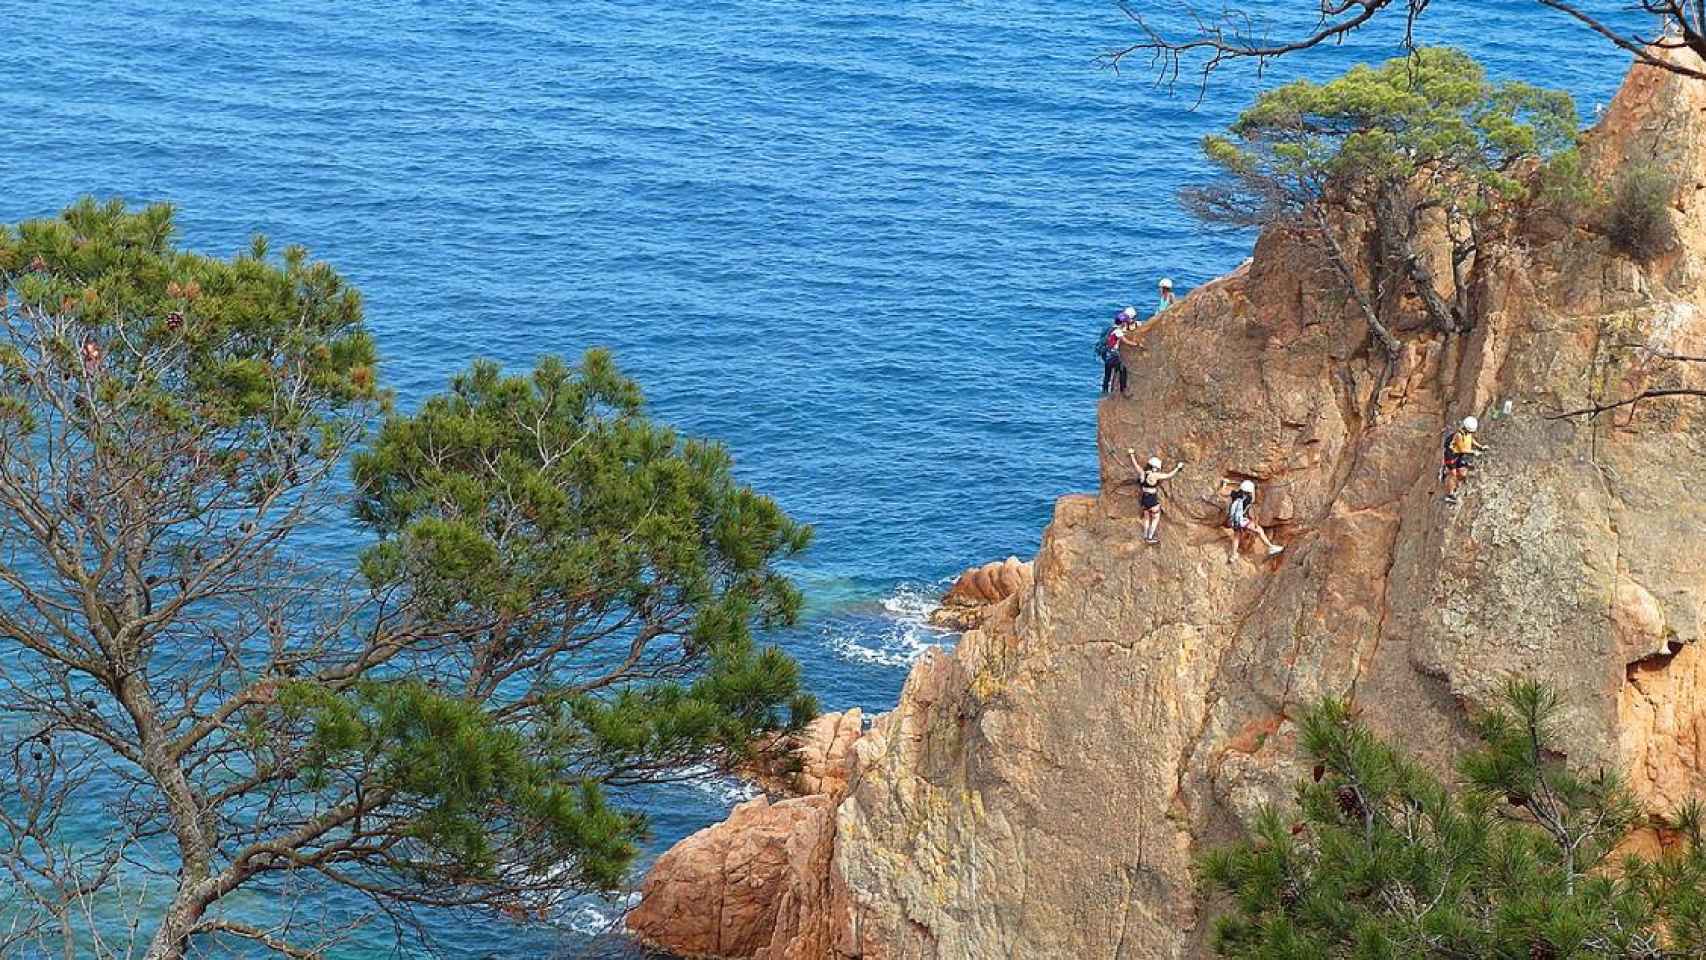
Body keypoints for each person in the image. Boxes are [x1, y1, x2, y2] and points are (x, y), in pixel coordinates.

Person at [1217, 477, 1283, 563]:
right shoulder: (1248, 499)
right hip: (1242, 521)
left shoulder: (1234, 494)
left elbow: (1222, 492)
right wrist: (1254, 488)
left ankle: (1233, 555)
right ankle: (1271, 547)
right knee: (1259, 530)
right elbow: (1254, 499)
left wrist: (1224, 485)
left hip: (1233, 521)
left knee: (1236, 536)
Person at [1127, 450, 1185, 544]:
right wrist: (1178, 467)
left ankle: (1145, 536)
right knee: (1156, 517)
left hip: (1144, 499)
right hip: (1152, 499)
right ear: (1155, 467)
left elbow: (1135, 464)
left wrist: (1132, 454)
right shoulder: (1155, 475)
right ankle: (1150, 538)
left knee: (1146, 518)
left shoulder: (1142, 473)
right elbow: (1168, 475)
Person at [1441, 415, 1486, 504]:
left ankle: (1455, 483)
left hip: (1458, 454)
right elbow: (1462, 449)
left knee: (1462, 473)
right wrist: (1474, 452)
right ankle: (1449, 495)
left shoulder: (1468, 433)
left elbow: (1471, 440)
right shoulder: (1458, 435)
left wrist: (1480, 447)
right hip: (1451, 455)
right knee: (1453, 474)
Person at [1097, 308, 1137, 396]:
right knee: (1123, 370)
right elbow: (1126, 341)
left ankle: (1104, 390)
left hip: (1106, 355)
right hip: (1113, 356)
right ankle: (1123, 390)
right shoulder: (1118, 331)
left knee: (1107, 374)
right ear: (1122, 323)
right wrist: (1136, 344)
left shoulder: (1110, 328)